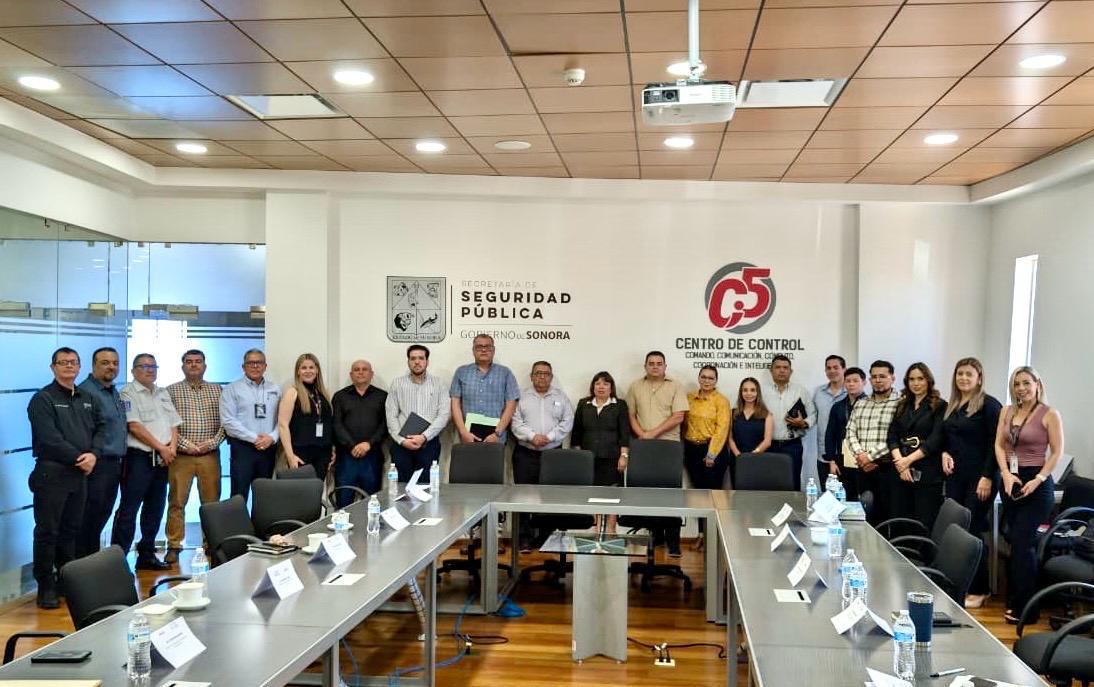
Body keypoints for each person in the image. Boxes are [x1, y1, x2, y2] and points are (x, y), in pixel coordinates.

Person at [27, 348, 104, 608]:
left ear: (80, 367)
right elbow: (49, 438)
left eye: (73, 362)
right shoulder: (43, 399)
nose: (68, 366)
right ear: (53, 367)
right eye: (63, 362)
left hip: (79, 474)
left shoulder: (87, 398)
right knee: (48, 531)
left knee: (71, 531)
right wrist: (80, 458)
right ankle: (46, 586)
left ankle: (66, 581)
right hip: (52, 473)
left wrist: (94, 454)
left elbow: (101, 428)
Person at [994, 366, 1063, 625]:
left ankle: (1028, 609)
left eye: (1026, 383)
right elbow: (999, 444)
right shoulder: (1007, 411)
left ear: (1037, 384)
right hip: (1011, 480)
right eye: (1016, 384)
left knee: (1023, 543)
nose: (1021, 388)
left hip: (1037, 483)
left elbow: (1057, 452)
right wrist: (1005, 473)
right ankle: (1017, 600)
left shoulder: (1049, 414)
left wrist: (1039, 479)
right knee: (1014, 541)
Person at [939, 357, 1002, 608]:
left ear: (979, 378)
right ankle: (960, 584)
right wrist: (944, 452)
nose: (963, 378)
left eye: (969, 374)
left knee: (973, 531)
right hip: (957, 477)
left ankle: (980, 588)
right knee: (958, 530)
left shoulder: (989, 405)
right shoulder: (954, 405)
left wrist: (987, 476)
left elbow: (996, 445)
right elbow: (948, 437)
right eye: (960, 374)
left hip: (980, 478)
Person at [112, 353, 181, 571]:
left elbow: (174, 423)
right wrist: (161, 447)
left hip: (162, 459)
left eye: (153, 366)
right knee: (129, 509)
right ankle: (117, 562)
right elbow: (134, 426)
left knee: (155, 508)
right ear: (133, 370)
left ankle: (146, 555)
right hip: (138, 459)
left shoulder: (162, 392)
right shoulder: (127, 393)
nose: (149, 370)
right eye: (143, 366)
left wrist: (171, 448)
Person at [625, 351, 689, 557]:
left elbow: (678, 416)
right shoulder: (635, 386)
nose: (655, 366)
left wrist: (651, 433)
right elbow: (630, 415)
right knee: (644, 492)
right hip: (643, 445)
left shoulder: (676, 386)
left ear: (665, 367)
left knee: (670, 495)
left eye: (659, 363)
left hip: (668, 446)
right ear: (645, 366)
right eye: (651, 363)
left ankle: (673, 542)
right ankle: (655, 537)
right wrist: (642, 435)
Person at [164, 349, 224, 564]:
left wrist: (212, 443)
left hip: (210, 455)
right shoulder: (170, 391)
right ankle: (174, 545)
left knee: (211, 503)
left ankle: (211, 544)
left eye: (198, 361)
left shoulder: (217, 390)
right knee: (177, 502)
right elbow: (166, 424)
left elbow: (225, 422)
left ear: (205, 366)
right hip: (181, 456)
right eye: (189, 361)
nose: (194, 365)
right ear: (183, 366)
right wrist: (185, 445)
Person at [511, 361, 575, 551]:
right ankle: (524, 537)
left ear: (551, 377)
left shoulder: (561, 397)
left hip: (553, 455)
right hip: (525, 453)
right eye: (538, 373)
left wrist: (550, 437)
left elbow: (567, 420)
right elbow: (515, 422)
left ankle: (546, 537)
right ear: (531, 376)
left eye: (546, 374)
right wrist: (533, 436)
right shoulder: (521, 397)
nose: (542, 377)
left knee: (550, 496)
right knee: (523, 496)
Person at [75, 347, 126, 559]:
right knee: (89, 517)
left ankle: (92, 563)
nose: (111, 367)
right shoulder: (85, 392)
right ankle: (82, 566)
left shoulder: (113, 391)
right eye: (105, 363)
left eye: (115, 363)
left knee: (101, 515)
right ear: (94, 365)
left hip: (114, 464)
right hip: (97, 464)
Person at [886, 362, 946, 531]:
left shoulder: (939, 405)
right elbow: (892, 435)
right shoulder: (902, 405)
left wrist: (908, 461)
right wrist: (901, 463)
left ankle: (920, 550)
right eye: (912, 379)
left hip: (927, 472)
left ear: (928, 380)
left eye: (920, 378)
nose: (916, 383)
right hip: (900, 471)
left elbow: (936, 440)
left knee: (923, 522)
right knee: (899, 520)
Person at [571, 372, 630, 533]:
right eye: (597, 383)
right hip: (589, 460)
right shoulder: (584, 404)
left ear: (611, 387)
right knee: (593, 494)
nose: (601, 387)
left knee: (612, 495)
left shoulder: (619, 405)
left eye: (605, 384)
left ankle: (611, 529)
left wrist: (624, 455)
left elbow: (624, 433)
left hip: (612, 458)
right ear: (593, 387)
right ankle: (596, 530)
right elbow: (576, 432)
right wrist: (578, 457)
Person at [220, 349, 280, 502]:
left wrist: (272, 438)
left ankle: (261, 520)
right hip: (243, 449)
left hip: (268, 449)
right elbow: (228, 421)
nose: (255, 366)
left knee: (264, 496)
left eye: (259, 362)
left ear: (265, 366)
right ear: (243, 367)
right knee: (239, 496)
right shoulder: (232, 389)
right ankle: (238, 520)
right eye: (250, 363)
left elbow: (282, 420)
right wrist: (255, 439)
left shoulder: (275, 389)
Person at [845, 361, 901, 523]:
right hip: (863, 468)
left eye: (882, 376)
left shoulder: (901, 403)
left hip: (888, 469)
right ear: (869, 380)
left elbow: (897, 436)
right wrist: (861, 455)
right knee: (865, 515)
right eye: (874, 377)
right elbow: (850, 432)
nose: (878, 380)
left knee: (887, 516)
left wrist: (870, 457)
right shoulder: (861, 403)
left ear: (892, 378)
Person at [385, 345, 451, 482]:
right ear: (408, 362)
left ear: (427, 361)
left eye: (421, 358)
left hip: (429, 443)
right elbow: (391, 414)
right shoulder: (397, 383)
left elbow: (444, 415)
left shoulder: (439, 384)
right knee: (401, 487)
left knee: (426, 486)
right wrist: (402, 440)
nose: (417, 362)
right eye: (413, 358)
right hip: (402, 444)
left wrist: (424, 437)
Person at [332, 360, 388, 504]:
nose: (361, 372)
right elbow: (336, 424)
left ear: (371, 374)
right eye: (356, 370)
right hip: (346, 458)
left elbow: (385, 425)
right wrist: (352, 446)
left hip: (372, 457)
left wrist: (368, 444)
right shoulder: (340, 396)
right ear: (351, 374)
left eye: (364, 369)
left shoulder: (383, 396)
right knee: (343, 503)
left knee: (371, 502)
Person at [450, 334, 519, 445]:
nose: (483, 350)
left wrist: (497, 433)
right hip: (467, 436)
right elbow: (455, 404)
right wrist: (463, 432)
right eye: (479, 347)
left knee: (494, 458)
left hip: (496, 436)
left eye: (487, 346)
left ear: (493, 350)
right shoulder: (461, 372)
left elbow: (511, 405)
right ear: (473, 350)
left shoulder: (505, 373)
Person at [762, 354, 816, 490]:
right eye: (778, 367)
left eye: (785, 368)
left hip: (792, 446)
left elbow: (813, 414)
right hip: (768, 446)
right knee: (768, 483)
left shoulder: (800, 391)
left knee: (792, 482)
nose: (782, 370)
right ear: (771, 370)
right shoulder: (761, 391)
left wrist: (803, 423)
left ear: (790, 371)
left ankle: (793, 505)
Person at [277, 353, 334, 481]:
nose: (308, 371)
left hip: (323, 453)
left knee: (317, 490)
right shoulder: (292, 392)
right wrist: (290, 456)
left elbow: (329, 424)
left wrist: (332, 450)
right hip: (300, 453)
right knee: (301, 491)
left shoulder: (324, 394)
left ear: (317, 370)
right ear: (298, 371)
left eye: (311, 367)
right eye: (304, 368)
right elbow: (283, 425)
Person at [822, 367, 867, 501]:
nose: (851, 384)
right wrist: (831, 460)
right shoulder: (838, 407)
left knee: (865, 496)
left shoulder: (870, 405)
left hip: (865, 458)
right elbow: (830, 435)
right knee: (844, 496)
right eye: (848, 381)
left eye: (855, 381)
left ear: (864, 382)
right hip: (842, 459)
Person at [684, 365, 731, 490]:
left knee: (712, 492)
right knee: (696, 491)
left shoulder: (721, 401)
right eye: (703, 377)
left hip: (711, 449)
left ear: (716, 381)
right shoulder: (689, 398)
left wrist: (711, 454)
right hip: (691, 449)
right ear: (698, 378)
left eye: (711, 378)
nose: (706, 381)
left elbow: (722, 430)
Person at [727, 377, 773, 487]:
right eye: (745, 390)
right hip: (737, 460)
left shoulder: (767, 414)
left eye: (752, 390)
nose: (749, 393)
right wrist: (739, 456)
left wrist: (751, 457)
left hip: (758, 459)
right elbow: (730, 438)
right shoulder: (733, 413)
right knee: (738, 492)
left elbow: (767, 441)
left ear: (758, 393)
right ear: (741, 392)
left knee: (757, 493)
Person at [813, 355, 847, 489]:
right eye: (828, 368)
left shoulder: (851, 391)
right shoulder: (819, 392)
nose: (832, 371)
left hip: (847, 455)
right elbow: (813, 416)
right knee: (826, 494)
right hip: (824, 454)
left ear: (844, 369)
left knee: (847, 494)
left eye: (836, 367)